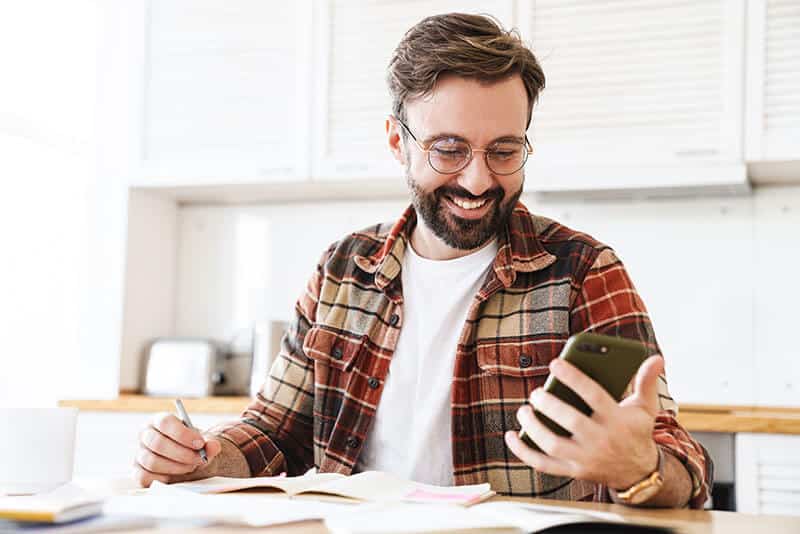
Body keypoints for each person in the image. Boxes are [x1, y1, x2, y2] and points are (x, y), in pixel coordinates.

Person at [133, 13, 712, 508]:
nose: (479, 178)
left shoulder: (583, 270)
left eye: (504, 150)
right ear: (397, 142)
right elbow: (272, 432)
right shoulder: (342, 270)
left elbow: (683, 464)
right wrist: (202, 458)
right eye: (449, 149)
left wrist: (639, 467)